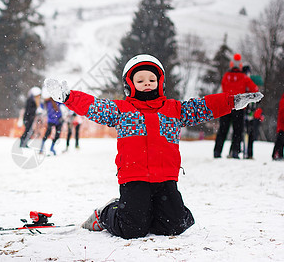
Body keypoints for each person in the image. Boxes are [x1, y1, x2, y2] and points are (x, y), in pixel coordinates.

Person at [44, 54, 263, 240]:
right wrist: (68, 97)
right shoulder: (122, 110)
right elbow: (95, 106)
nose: (146, 83)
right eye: (140, 80)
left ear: (160, 82)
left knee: (176, 225)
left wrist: (231, 102)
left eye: (151, 79)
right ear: (130, 85)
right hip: (134, 177)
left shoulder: (174, 109)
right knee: (132, 229)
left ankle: (146, 213)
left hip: (165, 178)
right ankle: (105, 214)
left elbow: (202, 107)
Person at [213, 54, 259, 159]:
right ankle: (235, 151)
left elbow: (222, 89)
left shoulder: (226, 76)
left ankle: (217, 151)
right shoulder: (244, 77)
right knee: (237, 131)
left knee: (222, 130)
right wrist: (246, 95)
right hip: (238, 107)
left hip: (225, 106)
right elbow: (255, 89)